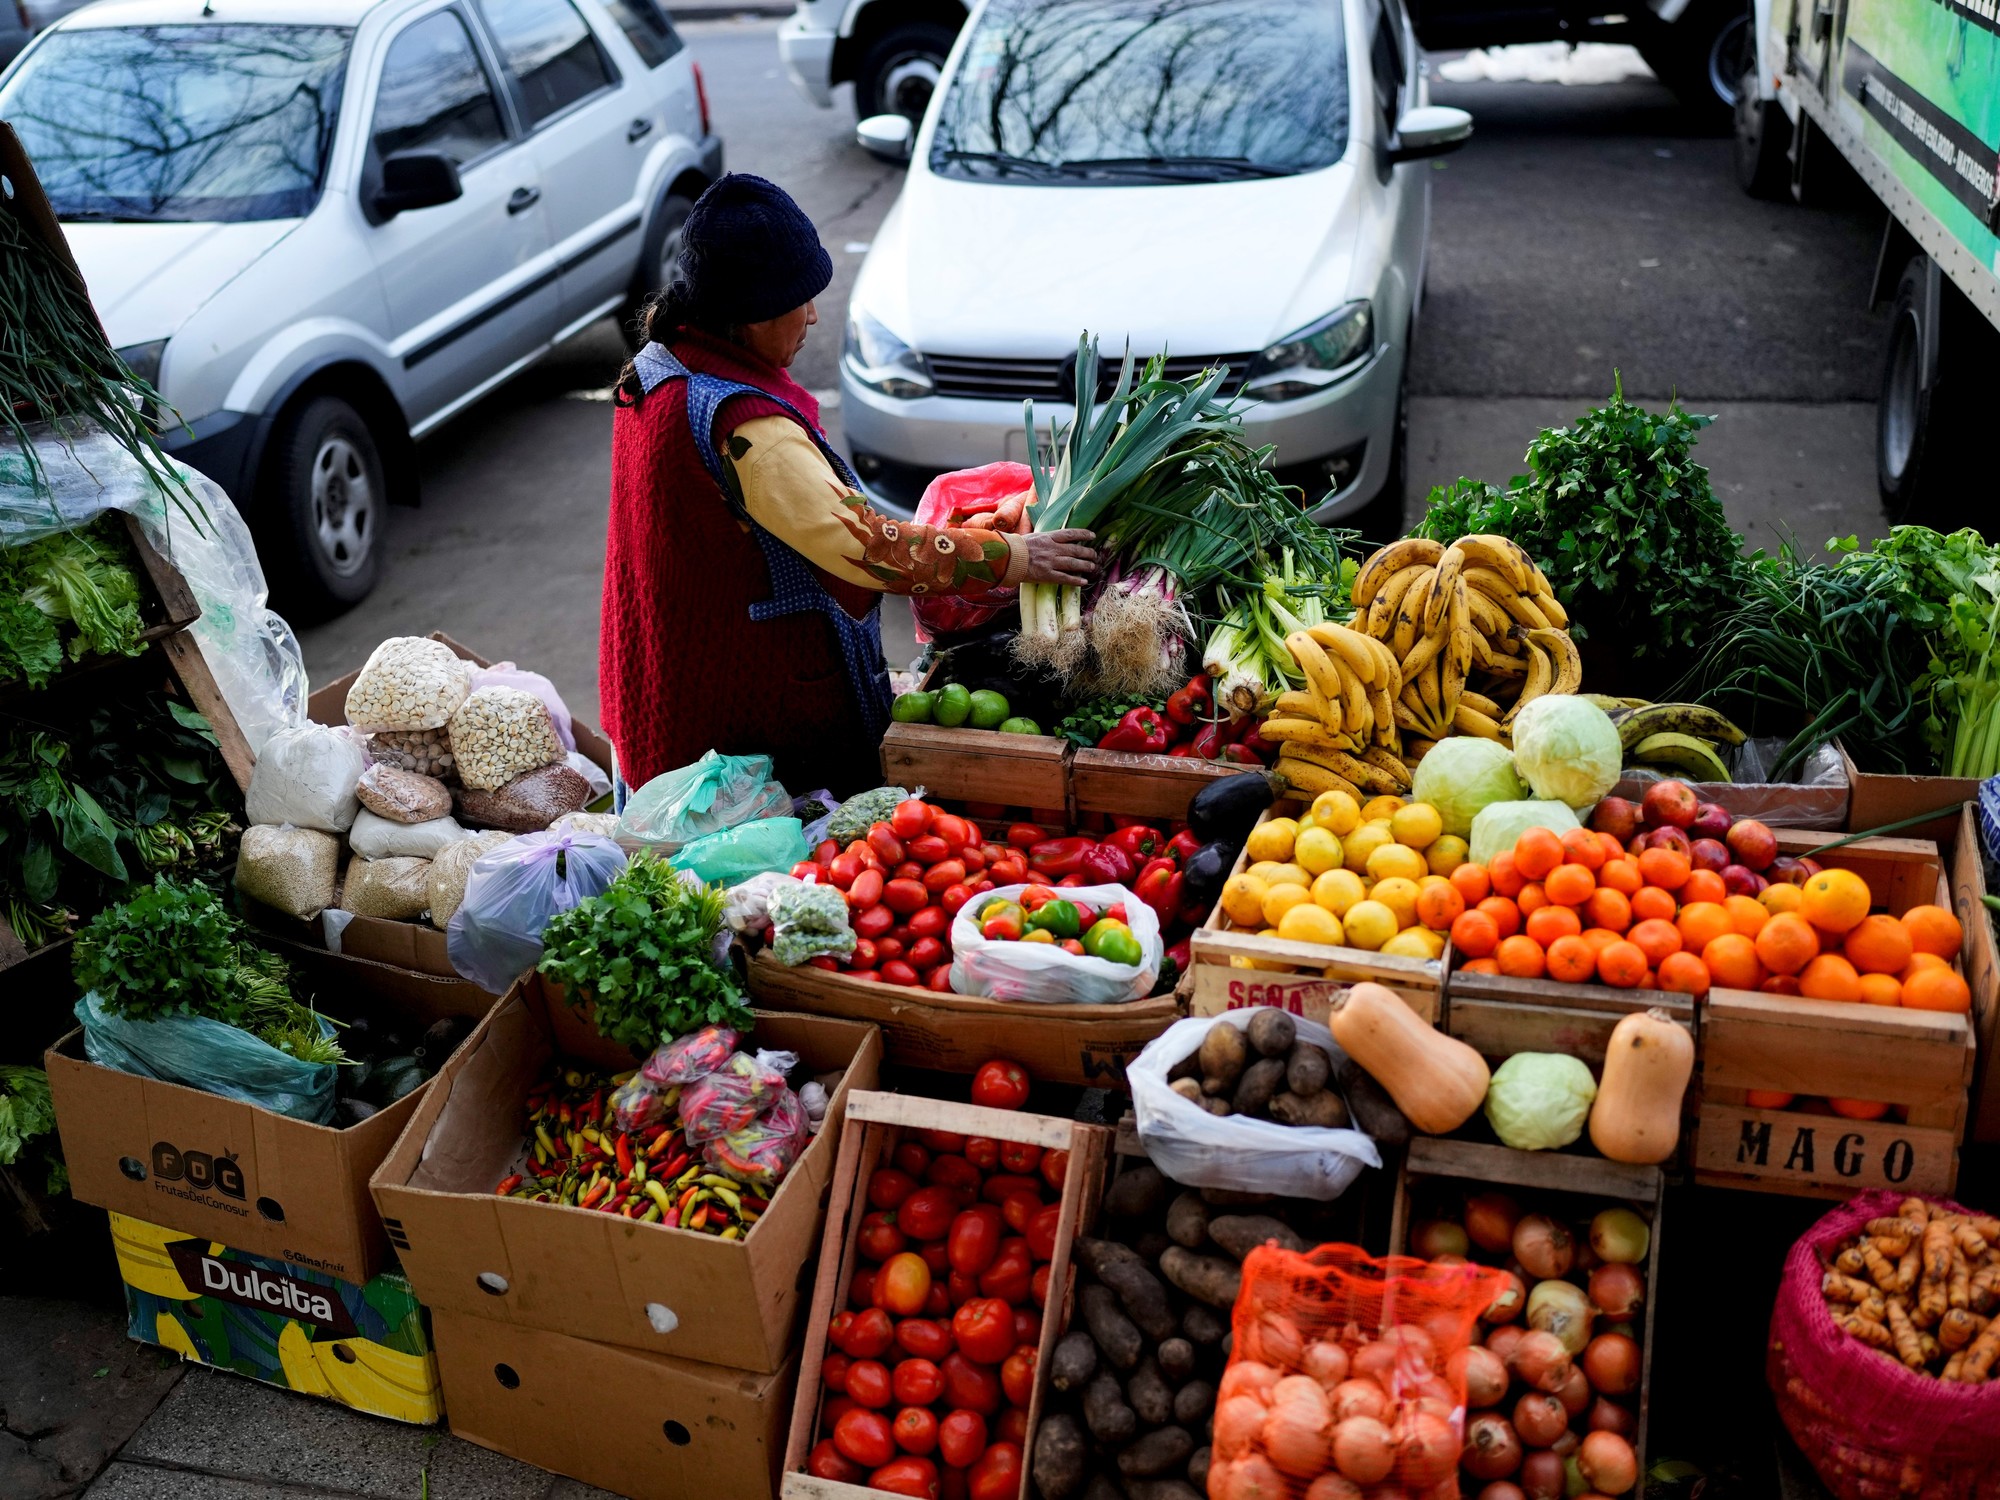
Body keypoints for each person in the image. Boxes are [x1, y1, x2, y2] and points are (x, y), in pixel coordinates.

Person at [600, 173, 1095, 796]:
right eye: (798, 301)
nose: (812, 315)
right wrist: (1016, 556)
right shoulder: (746, 427)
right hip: (740, 718)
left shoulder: (657, 368)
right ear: (747, 316)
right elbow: (871, 550)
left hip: (656, 676)